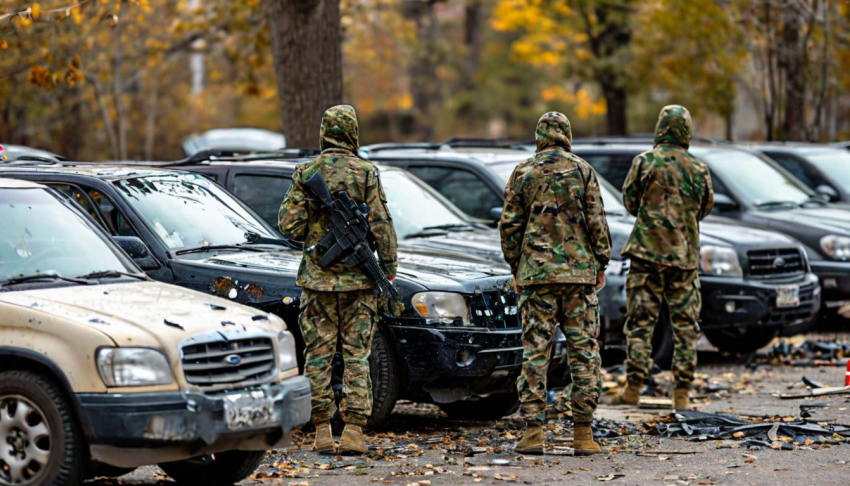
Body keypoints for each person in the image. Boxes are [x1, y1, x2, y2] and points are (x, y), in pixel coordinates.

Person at [279, 104, 398, 455]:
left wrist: (313, 213)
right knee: (357, 356)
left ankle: (320, 430)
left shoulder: (306, 171)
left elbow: (289, 226)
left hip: (317, 283)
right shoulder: (366, 173)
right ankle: (354, 430)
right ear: (353, 134)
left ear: (323, 134)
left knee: (318, 355)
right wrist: (388, 266)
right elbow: (382, 226)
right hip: (359, 285)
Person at [500, 111, 611, 456]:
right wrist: (601, 263)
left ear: (539, 136)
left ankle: (533, 432)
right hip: (578, 279)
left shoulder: (523, 172)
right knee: (583, 352)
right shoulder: (583, 171)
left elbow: (509, 227)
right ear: (566, 135)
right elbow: (597, 222)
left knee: (535, 352)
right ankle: (583, 434)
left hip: (536, 277)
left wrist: (516, 265)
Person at [619, 105, 714, 410]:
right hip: (683, 257)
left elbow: (630, 202)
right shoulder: (698, 168)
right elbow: (705, 207)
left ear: (660, 128)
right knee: (685, 325)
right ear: (687, 131)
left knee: (640, 322)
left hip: (645, 254)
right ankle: (682, 393)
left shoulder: (644, 162)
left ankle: (633, 386)